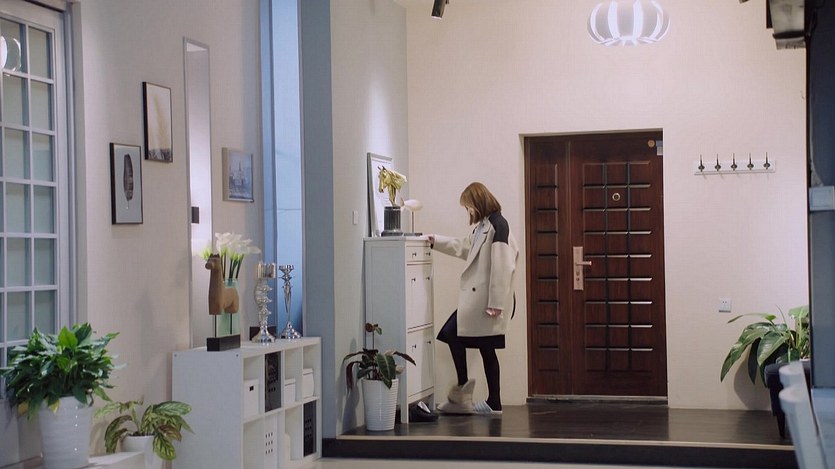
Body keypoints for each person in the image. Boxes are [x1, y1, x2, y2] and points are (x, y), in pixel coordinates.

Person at [428, 182, 518, 415]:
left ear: (477, 203)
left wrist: (496, 304)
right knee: (482, 346)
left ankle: (472, 396)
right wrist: (434, 240)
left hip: (487, 302)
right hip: (480, 300)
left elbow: (503, 266)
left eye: (468, 206)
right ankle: (483, 399)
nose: (468, 211)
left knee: (461, 336)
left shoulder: (498, 225)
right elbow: (462, 246)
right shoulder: (484, 226)